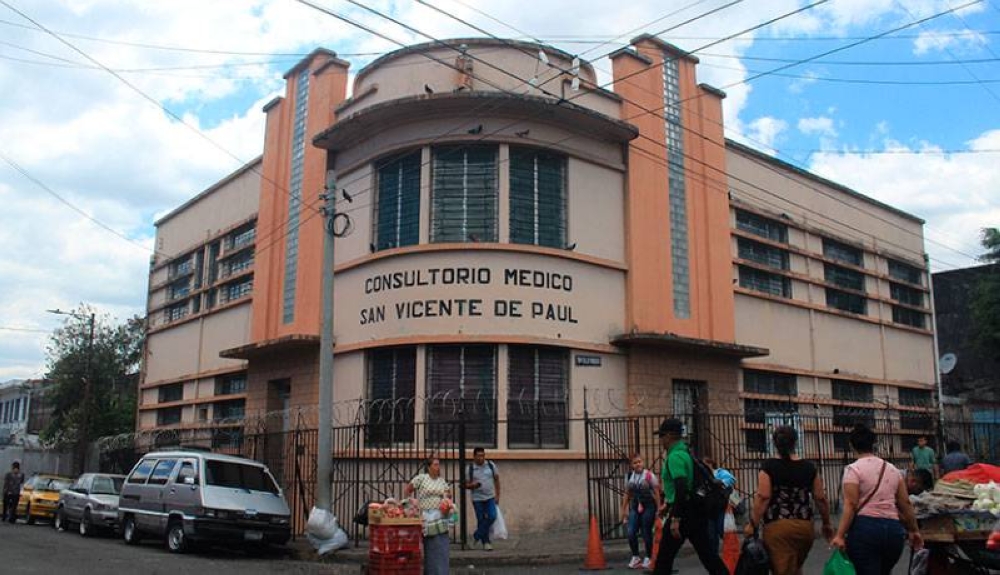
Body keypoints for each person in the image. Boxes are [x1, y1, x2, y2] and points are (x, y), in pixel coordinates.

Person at [832, 424, 923, 575]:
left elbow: (851, 504)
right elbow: (905, 503)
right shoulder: (893, 469)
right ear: (873, 444)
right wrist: (914, 530)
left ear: (852, 445)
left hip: (865, 531)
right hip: (894, 532)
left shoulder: (853, 470)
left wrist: (840, 535)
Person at [744, 426, 832, 575]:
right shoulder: (809, 467)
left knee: (783, 569)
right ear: (796, 442)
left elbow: (763, 496)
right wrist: (826, 523)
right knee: (795, 566)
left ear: (774, 443)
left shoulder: (769, 466)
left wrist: (753, 524)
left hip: (777, 526)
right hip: (805, 527)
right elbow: (820, 498)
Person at [652, 418, 729, 575]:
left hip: (683, 513)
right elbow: (688, 484)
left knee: (663, 560)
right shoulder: (686, 453)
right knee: (709, 557)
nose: (660, 440)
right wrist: (668, 504)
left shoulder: (675, 457)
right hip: (694, 511)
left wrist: (675, 519)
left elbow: (681, 488)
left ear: (669, 436)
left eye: (662, 436)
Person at [406, 457, 452, 575]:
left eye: (439, 465)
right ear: (429, 467)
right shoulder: (421, 479)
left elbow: (448, 494)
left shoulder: (442, 481)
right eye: (435, 465)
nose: (438, 467)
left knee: (441, 546)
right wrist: (411, 502)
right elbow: (408, 489)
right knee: (431, 545)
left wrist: (446, 500)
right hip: (426, 517)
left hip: (440, 516)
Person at [620, 453, 661, 570]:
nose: (638, 464)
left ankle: (648, 557)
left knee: (646, 532)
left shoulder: (649, 475)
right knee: (631, 531)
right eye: (635, 462)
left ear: (643, 462)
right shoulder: (629, 476)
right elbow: (627, 493)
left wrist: (658, 509)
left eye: (639, 461)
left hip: (649, 506)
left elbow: (657, 492)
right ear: (631, 465)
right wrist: (623, 510)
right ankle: (636, 556)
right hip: (635, 506)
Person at [464, 447, 500, 551]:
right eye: (478, 456)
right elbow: (465, 484)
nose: (481, 458)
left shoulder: (490, 465)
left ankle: (476, 536)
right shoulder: (470, 468)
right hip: (477, 498)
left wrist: (497, 495)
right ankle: (486, 542)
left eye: (482, 455)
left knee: (492, 516)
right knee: (481, 520)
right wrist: (473, 485)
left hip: (490, 497)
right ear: (474, 456)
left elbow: (497, 480)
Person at [702, 457, 736, 553]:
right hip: (709, 509)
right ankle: (714, 556)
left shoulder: (720, 472)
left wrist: (719, 482)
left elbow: (732, 479)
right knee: (711, 535)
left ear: (710, 464)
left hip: (721, 508)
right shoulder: (703, 476)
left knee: (722, 531)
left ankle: (730, 552)